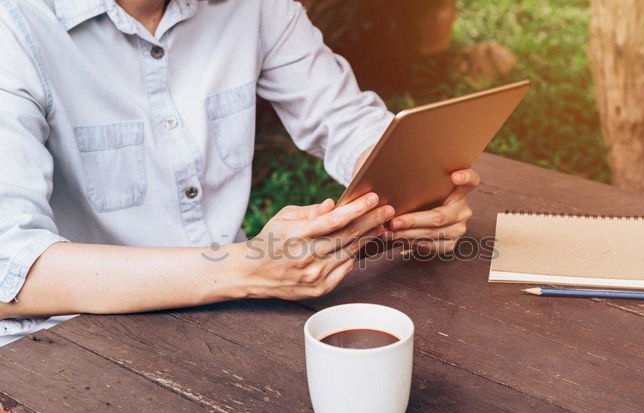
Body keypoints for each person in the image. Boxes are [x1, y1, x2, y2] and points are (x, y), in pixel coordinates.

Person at [0, 0, 479, 341]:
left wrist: (421, 188)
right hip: (71, 343)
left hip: (229, 320)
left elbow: (346, 120)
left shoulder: (255, 8)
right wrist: (248, 268)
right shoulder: (15, 28)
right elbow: (8, 270)